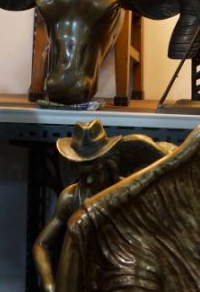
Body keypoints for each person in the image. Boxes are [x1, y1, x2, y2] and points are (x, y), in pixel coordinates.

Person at [33, 119, 170, 292]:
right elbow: (42, 245)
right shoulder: (71, 197)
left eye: (96, 173)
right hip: (84, 276)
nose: (89, 181)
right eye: (84, 175)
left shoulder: (125, 194)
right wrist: (49, 283)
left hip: (121, 275)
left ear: (109, 166)